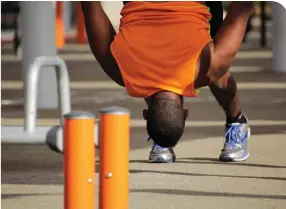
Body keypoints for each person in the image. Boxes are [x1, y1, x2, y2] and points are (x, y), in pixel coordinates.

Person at [81, 1, 253, 163]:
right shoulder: (120, 70)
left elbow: (242, 7)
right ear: (145, 115)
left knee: (215, 69)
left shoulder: (209, 67)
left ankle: (236, 120)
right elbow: (90, 6)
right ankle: (165, 134)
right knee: (143, 75)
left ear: (185, 114)